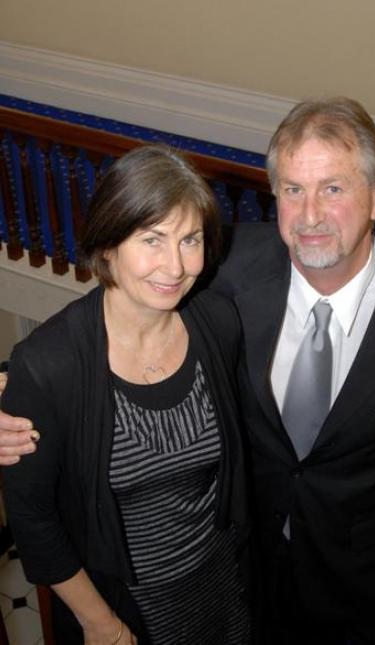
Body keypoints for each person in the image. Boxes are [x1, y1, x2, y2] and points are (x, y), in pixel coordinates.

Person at [0, 98, 375, 645]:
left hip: (374, 573)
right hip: (247, 562)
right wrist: (12, 384)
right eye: (292, 190)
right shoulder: (224, 267)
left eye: (333, 188)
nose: (309, 217)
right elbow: (123, 314)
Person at [0, 144, 251, 644]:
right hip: (125, 603)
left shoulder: (217, 323)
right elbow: (33, 519)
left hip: (224, 578)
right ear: (108, 244)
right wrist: (100, 622)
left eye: (190, 239)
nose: (175, 266)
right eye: (152, 239)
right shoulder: (49, 366)